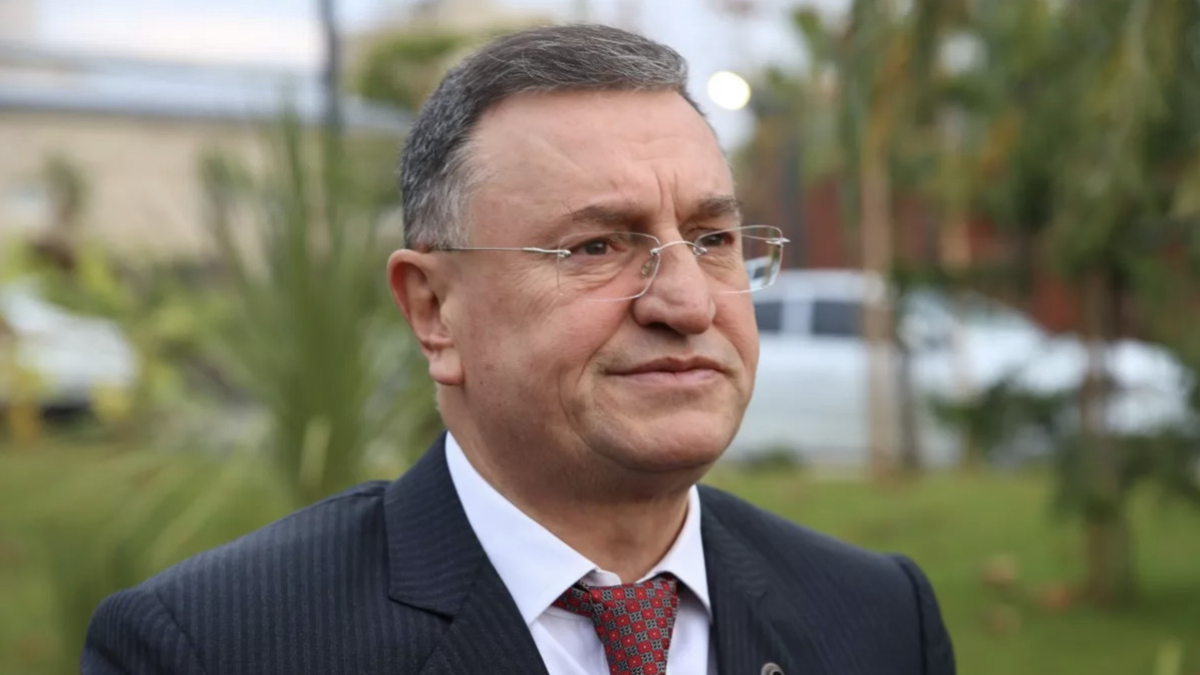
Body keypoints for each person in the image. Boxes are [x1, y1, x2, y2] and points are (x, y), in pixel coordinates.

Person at [83, 24, 955, 675]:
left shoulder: (878, 618)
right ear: (434, 309)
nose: (689, 302)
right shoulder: (217, 645)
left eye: (712, 239)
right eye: (597, 246)